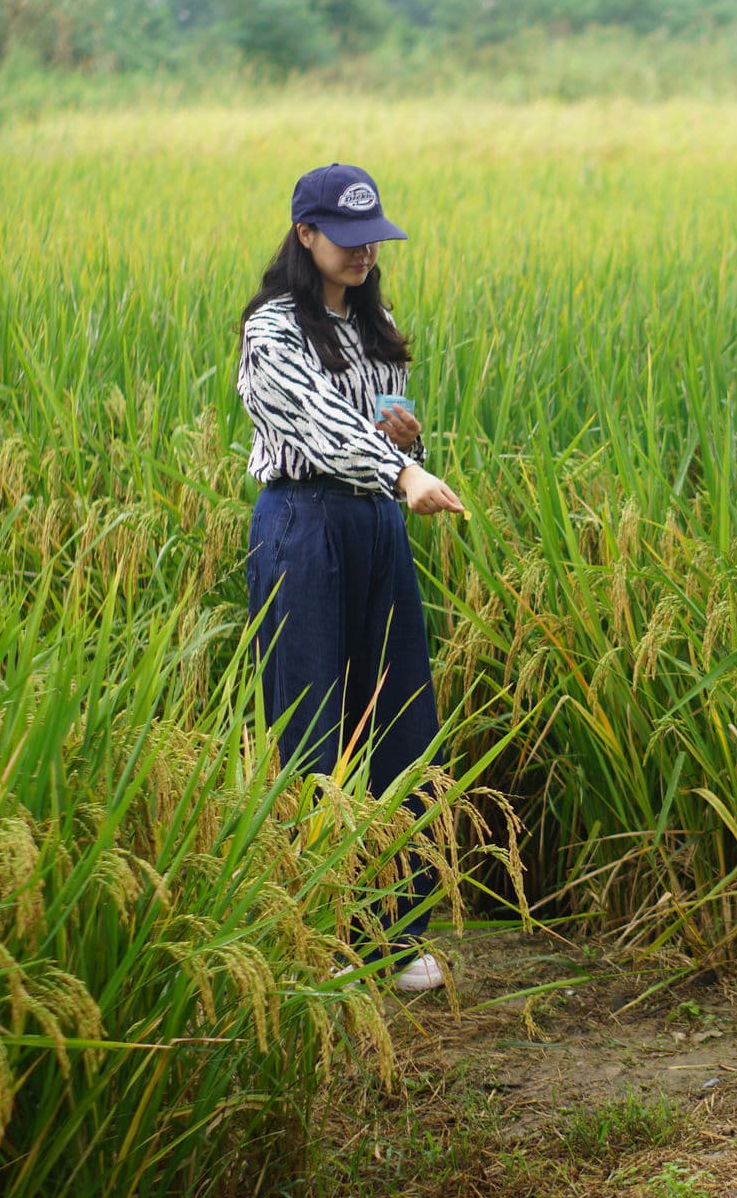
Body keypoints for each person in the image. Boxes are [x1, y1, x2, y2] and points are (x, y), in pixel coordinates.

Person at [237, 162, 466, 994]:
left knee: (399, 716)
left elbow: (374, 430)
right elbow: (321, 425)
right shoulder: (272, 330)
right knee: (310, 722)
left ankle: (394, 935)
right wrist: (404, 474)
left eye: (374, 238)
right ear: (306, 235)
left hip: (373, 526)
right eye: (347, 237)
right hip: (302, 525)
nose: (364, 253)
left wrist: (407, 446)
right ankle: (315, 927)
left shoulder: (377, 326)